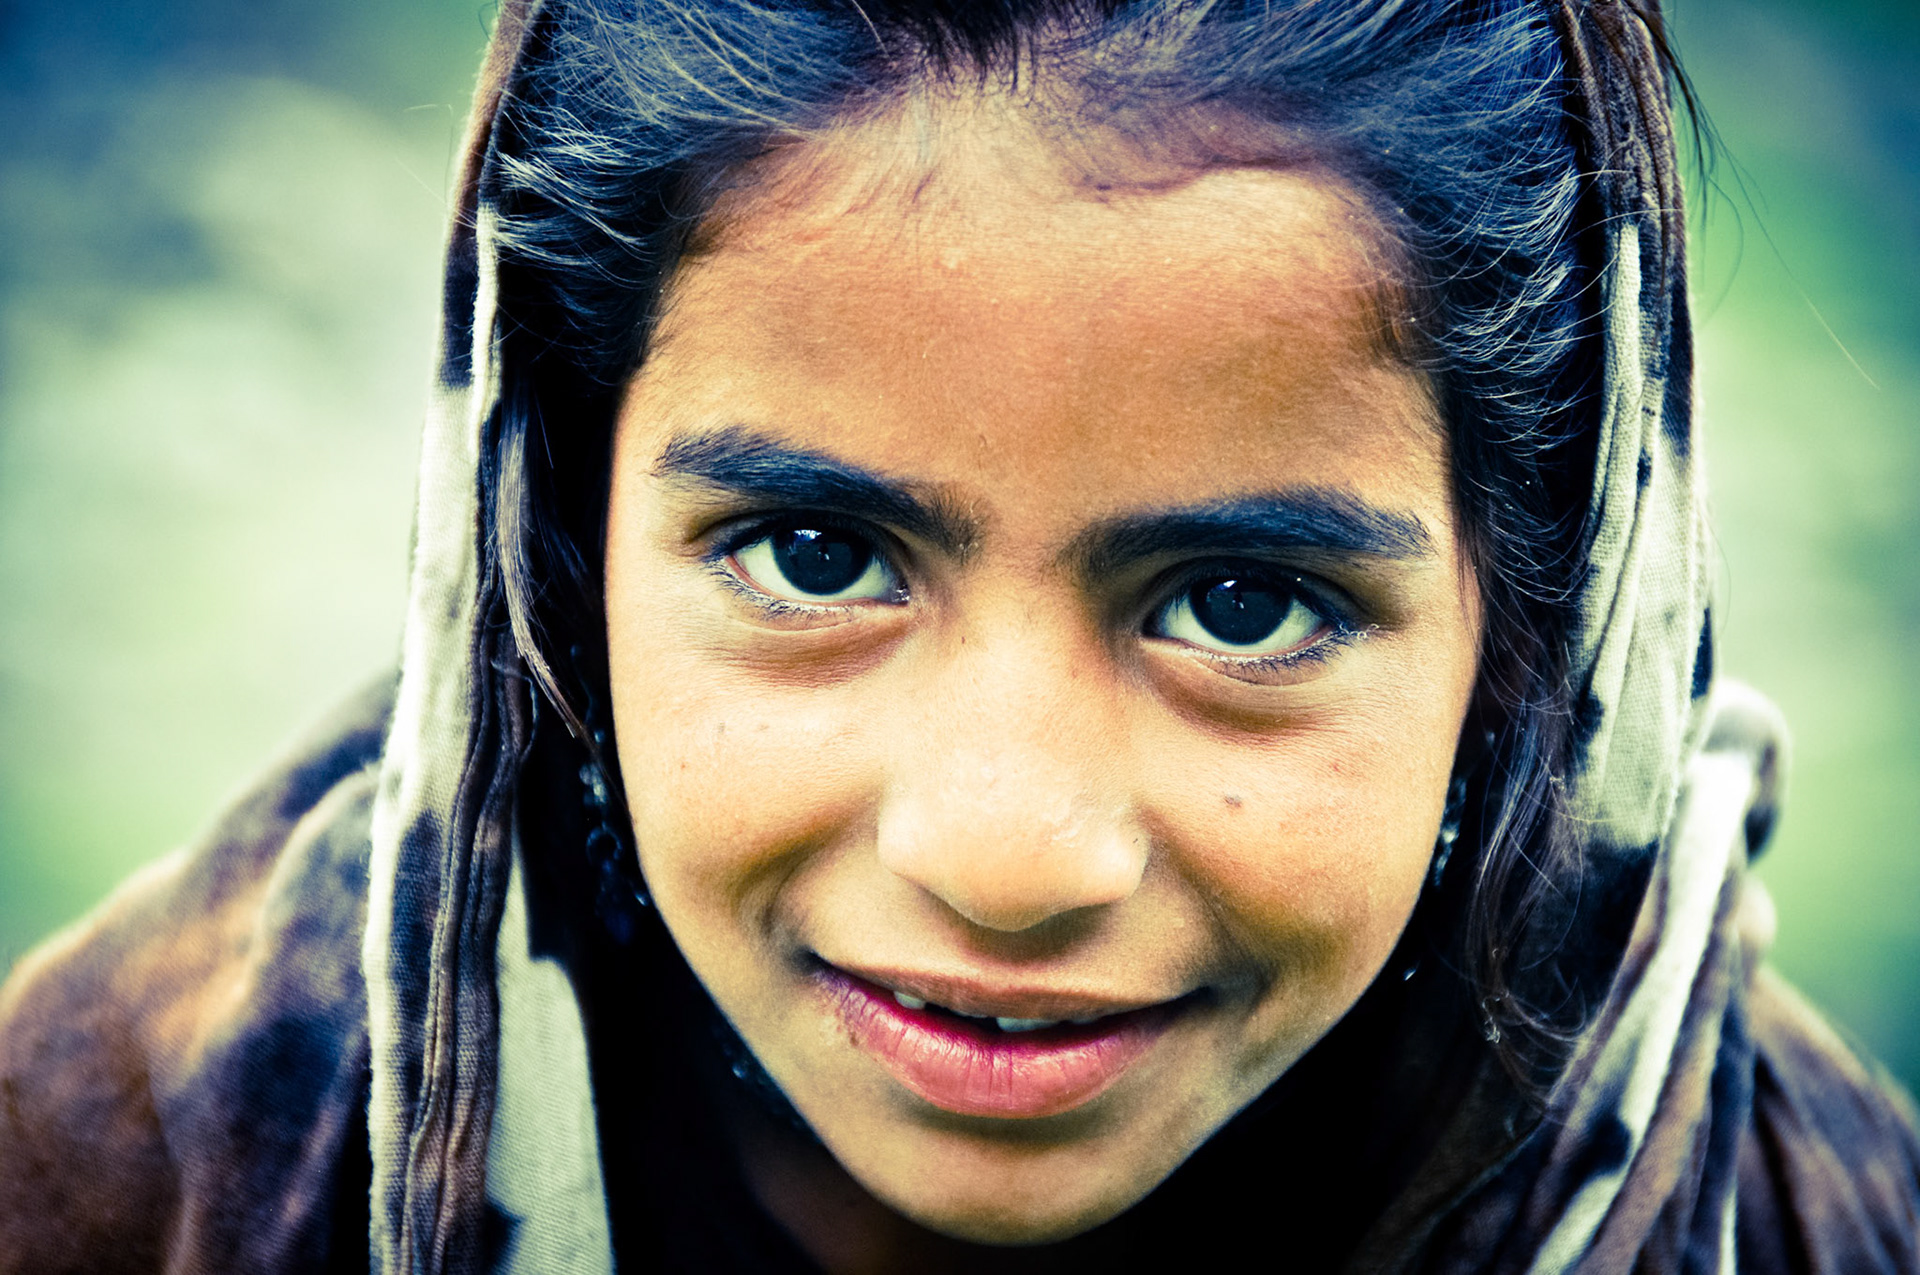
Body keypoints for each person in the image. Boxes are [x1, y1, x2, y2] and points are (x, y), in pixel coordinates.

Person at [1, 0, 1916, 1271]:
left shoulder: (1802, 1222)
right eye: (818, 559)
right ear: (560, 553)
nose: (1004, 862)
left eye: (1241, 605)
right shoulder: (119, 1180)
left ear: (1532, 639)